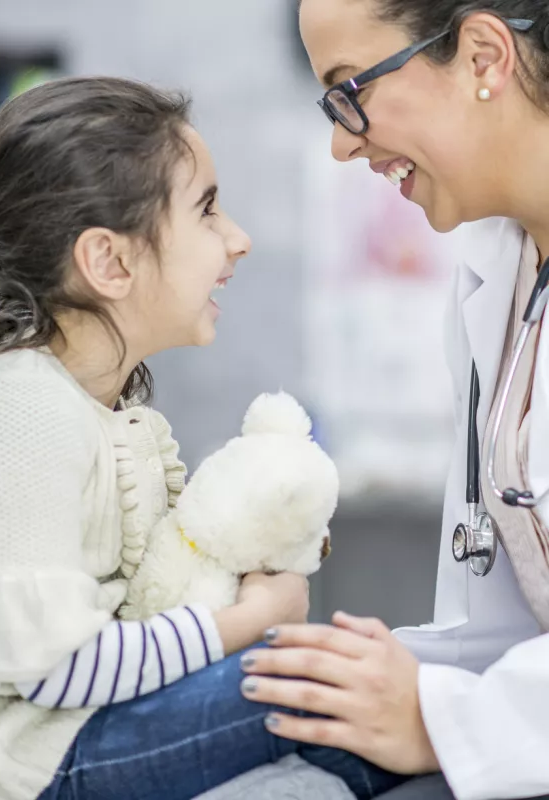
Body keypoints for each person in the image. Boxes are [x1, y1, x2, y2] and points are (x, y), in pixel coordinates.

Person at [0, 76, 407, 800]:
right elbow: (55, 667)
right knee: (310, 690)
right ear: (110, 262)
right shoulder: (22, 413)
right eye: (208, 210)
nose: (238, 238)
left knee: (344, 678)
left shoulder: (102, 410)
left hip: (58, 736)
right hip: (15, 761)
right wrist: (246, 623)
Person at [229, 2, 549, 799]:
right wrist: (364, 676)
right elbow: (499, 631)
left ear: (482, 57)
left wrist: (443, 717)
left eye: (350, 91)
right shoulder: (494, 272)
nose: (341, 143)